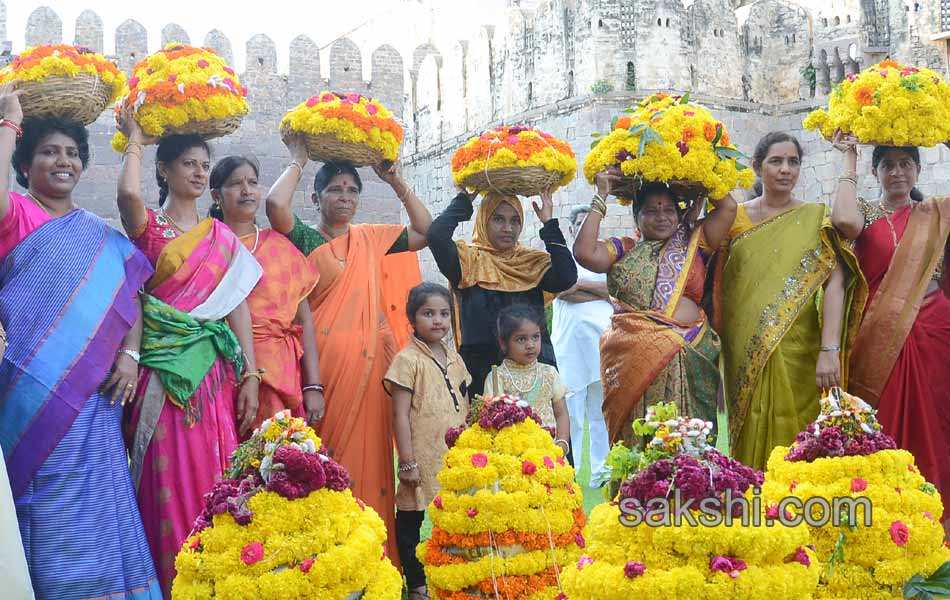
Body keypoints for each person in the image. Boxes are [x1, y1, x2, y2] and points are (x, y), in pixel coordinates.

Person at [0, 82, 160, 598]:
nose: (62, 161)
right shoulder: (15, 217)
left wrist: (132, 355)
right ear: (25, 166)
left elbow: (128, 300)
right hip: (29, 398)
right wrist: (8, 124)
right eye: (48, 152)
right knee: (43, 506)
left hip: (96, 399)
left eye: (71, 152)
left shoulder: (100, 233)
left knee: (99, 502)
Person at [265, 132, 431, 566]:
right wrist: (299, 159)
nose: (344, 197)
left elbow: (425, 231)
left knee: (372, 467)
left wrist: (397, 182)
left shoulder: (371, 238)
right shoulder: (305, 238)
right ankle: (327, 561)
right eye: (335, 189)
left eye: (352, 190)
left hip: (371, 370)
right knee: (326, 458)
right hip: (322, 372)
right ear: (317, 197)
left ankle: (374, 563)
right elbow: (275, 207)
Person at [116, 110, 263, 594]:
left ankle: (217, 582)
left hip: (215, 377)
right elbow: (128, 196)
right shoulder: (150, 229)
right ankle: (171, 583)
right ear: (165, 171)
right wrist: (136, 139)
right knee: (169, 486)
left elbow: (237, 308)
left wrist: (252, 375)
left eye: (204, 165)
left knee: (216, 477)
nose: (199, 173)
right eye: (188, 164)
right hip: (162, 376)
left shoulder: (222, 238)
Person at [715, 131, 865, 471]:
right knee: (750, 428)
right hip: (744, 349)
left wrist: (830, 349)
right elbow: (716, 284)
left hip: (801, 349)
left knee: (802, 436)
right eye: (776, 161)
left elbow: (836, 280)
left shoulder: (815, 218)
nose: (786, 170)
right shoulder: (732, 218)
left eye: (793, 162)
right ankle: (755, 512)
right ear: (757, 166)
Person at [829, 133, 950, 532]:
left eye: (905, 164)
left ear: (917, 168)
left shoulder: (936, 211)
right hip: (877, 338)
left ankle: (938, 523)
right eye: (888, 165)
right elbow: (842, 220)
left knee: (938, 426)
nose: (897, 172)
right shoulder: (864, 214)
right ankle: (886, 525)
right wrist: (849, 157)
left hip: (936, 332)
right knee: (884, 428)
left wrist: (944, 136)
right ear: (875, 171)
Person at [573, 174, 736, 447]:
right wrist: (601, 196)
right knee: (641, 443)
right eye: (651, 211)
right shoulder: (625, 249)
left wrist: (703, 168)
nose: (661, 217)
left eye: (669, 210)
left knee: (689, 445)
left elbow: (728, 208)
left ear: (679, 213)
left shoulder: (696, 243)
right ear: (636, 218)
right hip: (634, 359)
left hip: (690, 352)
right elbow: (585, 252)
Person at [209, 156, 325, 430]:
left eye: (252, 182)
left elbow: (304, 320)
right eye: (236, 184)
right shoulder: (207, 246)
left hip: (280, 370)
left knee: (276, 461)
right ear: (216, 195)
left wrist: (313, 384)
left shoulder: (280, 247)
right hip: (221, 369)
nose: (247, 190)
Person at [427, 188, 577, 397]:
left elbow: (567, 276)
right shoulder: (468, 261)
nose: (508, 228)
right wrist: (463, 202)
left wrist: (549, 224)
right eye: (498, 219)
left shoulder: (530, 263)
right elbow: (436, 236)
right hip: (482, 376)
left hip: (534, 375)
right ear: (484, 221)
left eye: (515, 220)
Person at [384, 283, 471, 600]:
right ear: (412, 318)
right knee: (411, 519)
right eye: (428, 313)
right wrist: (406, 461)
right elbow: (399, 415)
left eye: (444, 314)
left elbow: (464, 402)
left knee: (457, 515)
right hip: (420, 455)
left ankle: (456, 573)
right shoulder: (407, 361)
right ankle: (417, 584)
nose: (438, 321)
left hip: (454, 456)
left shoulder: (454, 357)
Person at [551, 205, 613, 486]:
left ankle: (600, 472)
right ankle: (569, 470)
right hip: (570, 348)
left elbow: (615, 292)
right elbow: (562, 290)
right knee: (571, 411)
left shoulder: (605, 259)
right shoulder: (562, 260)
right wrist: (598, 292)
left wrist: (581, 287)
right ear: (571, 228)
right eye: (579, 223)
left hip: (603, 344)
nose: (583, 227)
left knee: (601, 412)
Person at [483, 304, 571, 452]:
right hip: (514, 458)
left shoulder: (549, 373)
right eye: (521, 339)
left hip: (550, 454)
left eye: (535, 337)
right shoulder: (497, 377)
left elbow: (561, 413)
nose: (530, 345)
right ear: (503, 343)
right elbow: (491, 420)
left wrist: (562, 443)